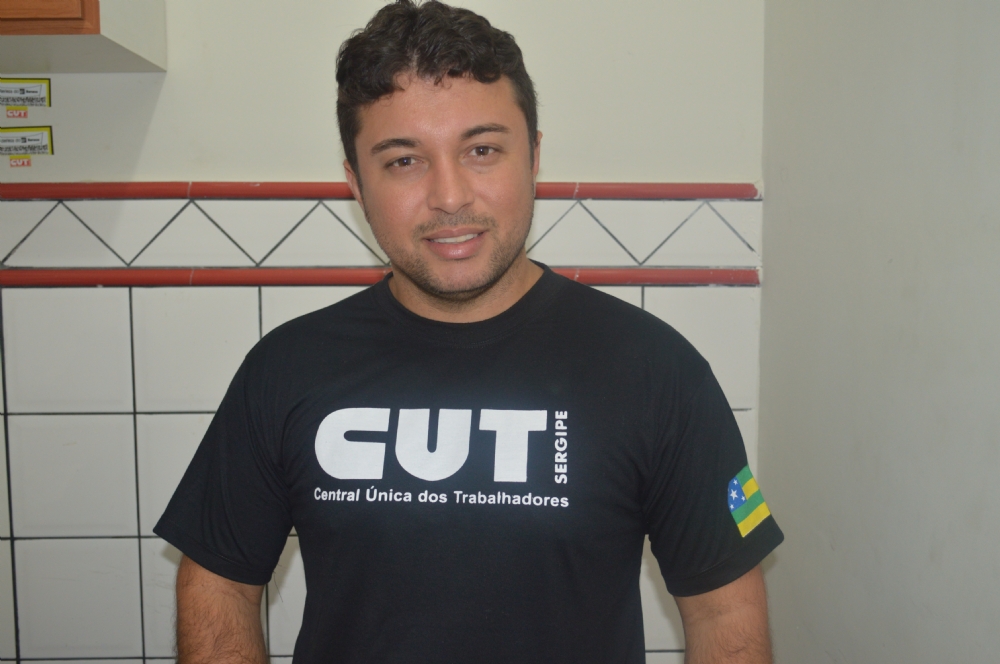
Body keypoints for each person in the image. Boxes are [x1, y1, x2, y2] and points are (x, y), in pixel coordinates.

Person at [154, 1, 783, 662]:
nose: (450, 196)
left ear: (533, 157)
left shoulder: (656, 370)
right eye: (404, 160)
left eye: (482, 150)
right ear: (355, 184)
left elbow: (724, 615)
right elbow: (217, 585)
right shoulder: (285, 368)